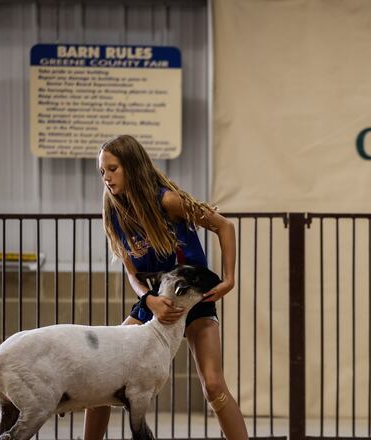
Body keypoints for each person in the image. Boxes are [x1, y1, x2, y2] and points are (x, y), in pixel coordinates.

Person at [85, 134, 248, 440]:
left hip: (194, 299)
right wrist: (149, 300)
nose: (106, 177)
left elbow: (224, 226)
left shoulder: (168, 201)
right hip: (154, 300)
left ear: (132, 167)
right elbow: (132, 273)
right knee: (100, 374)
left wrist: (229, 279)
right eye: (102, 171)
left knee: (213, 384)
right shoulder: (113, 208)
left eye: (112, 168)